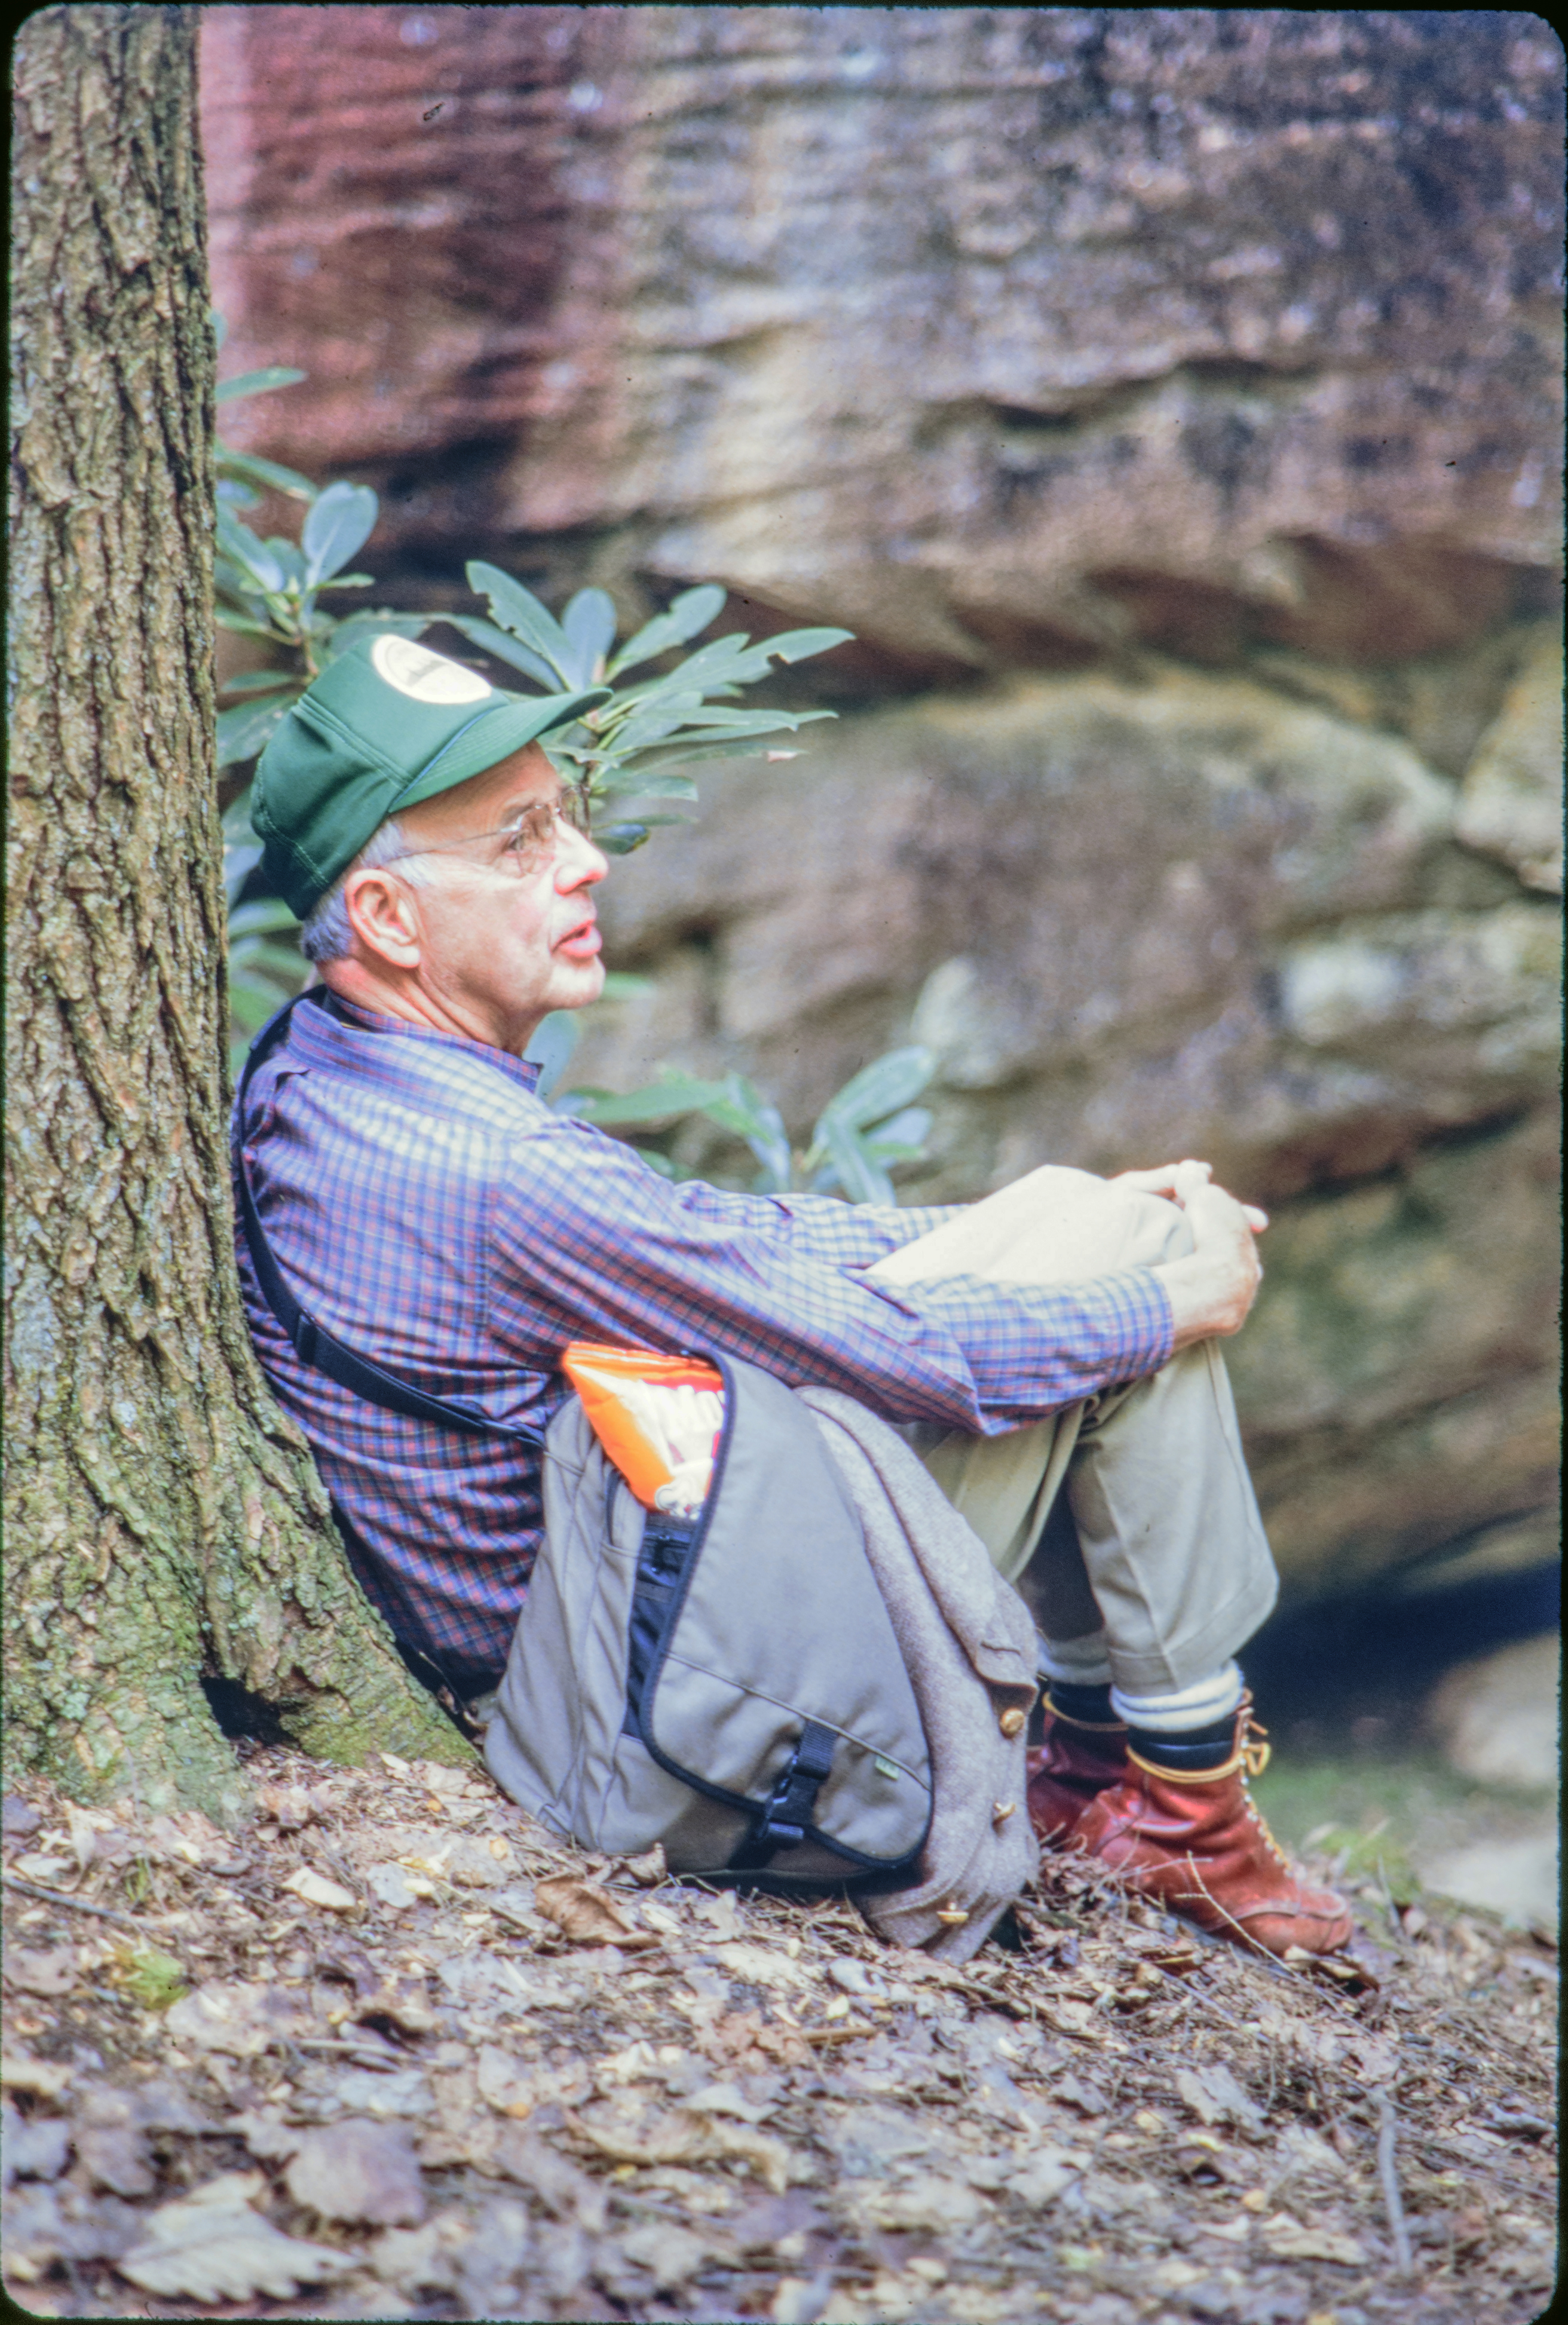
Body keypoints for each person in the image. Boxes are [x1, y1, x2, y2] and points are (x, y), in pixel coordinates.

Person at [234, 632, 1352, 1960]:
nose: (586, 861)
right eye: (519, 841)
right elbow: (906, 1360)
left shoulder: (319, 1070)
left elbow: (717, 1239)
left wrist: (1061, 1220)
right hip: (645, 1688)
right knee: (1125, 1310)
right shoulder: (501, 1175)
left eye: (566, 819)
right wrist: (1171, 1302)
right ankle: (1183, 1810)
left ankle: (1096, 1775)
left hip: (598, 1613)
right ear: (389, 920)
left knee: (1095, 1228)